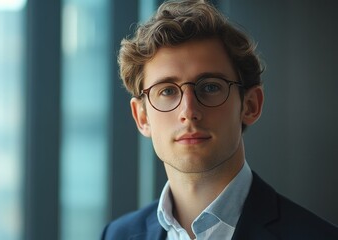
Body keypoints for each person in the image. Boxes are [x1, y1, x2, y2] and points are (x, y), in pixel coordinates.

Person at [101, 0, 338, 239]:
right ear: (142, 117)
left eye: (210, 86)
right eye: (167, 91)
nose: (188, 110)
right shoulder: (116, 235)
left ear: (251, 105)